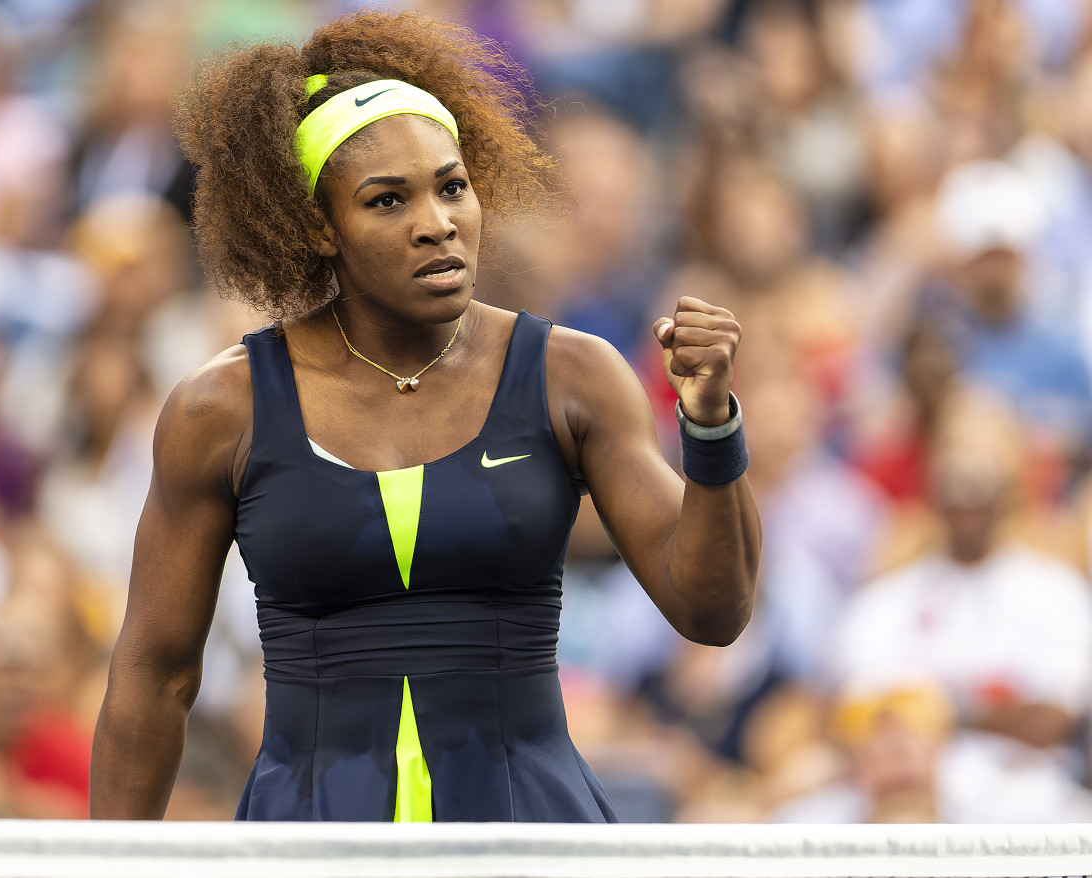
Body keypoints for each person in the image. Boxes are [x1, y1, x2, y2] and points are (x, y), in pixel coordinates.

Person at [90, 10, 761, 823]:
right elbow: (157, 673)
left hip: (533, 837)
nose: (437, 222)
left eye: (452, 187)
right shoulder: (218, 409)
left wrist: (712, 426)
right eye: (386, 200)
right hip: (308, 843)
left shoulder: (573, 375)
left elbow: (713, 611)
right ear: (318, 228)